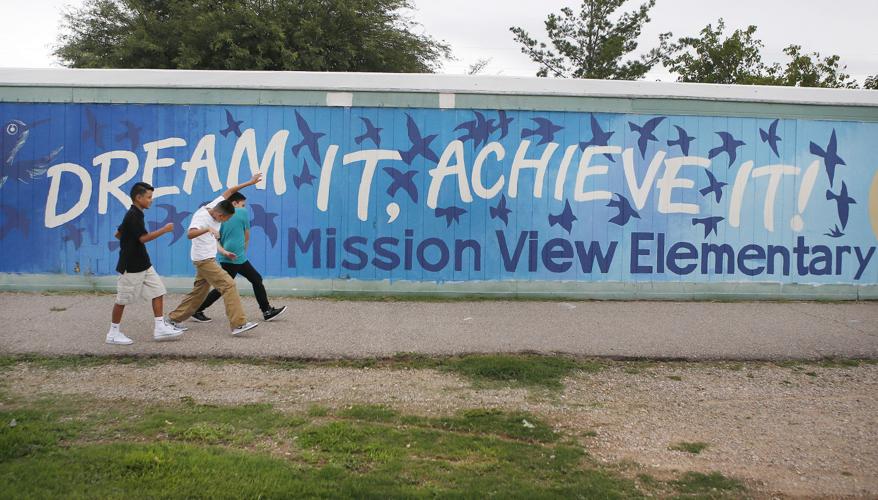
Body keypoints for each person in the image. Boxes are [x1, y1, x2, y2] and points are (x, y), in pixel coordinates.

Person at [166, 174, 263, 336]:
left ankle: (172, 320)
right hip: (203, 260)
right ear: (219, 215)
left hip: (206, 258)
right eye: (225, 220)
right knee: (228, 285)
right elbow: (190, 234)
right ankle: (238, 324)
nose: (224, 222)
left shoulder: (216, 205)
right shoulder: (201, 218)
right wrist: (208, 229)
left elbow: (231, 190)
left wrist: (251, 182)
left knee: (198, 293)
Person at [190, 191, 287, 323]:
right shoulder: (242, 213)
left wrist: (223, 251)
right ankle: (197, 310)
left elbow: (216, 238)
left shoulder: (217, 218)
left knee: (253, 280)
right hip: (235, 256)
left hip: (230, 255)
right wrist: (243, 250)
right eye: (242, 204)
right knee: (227, 286)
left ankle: (267, 311)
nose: (244, 207)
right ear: (234, 203)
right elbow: (247, 235)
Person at [107, 182, 183, 345]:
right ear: (138, 198)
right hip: (131, 267)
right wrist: (165, 229)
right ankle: (113, 333)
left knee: (158, 291)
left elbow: (118, 234)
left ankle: (160, 328)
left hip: (144, 264)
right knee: (122, 300)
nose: (151, 200)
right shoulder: (133, 215)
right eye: (148, 197)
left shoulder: (136, 214)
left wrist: (128, 241)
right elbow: (143, 238)